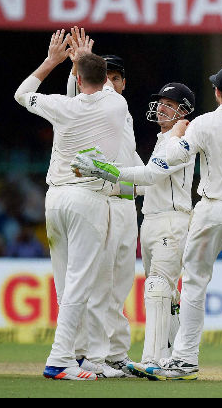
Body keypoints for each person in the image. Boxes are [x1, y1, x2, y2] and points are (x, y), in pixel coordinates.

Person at [125, 65, 222, 382]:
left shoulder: (204, 123)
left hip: (212, 210)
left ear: (217, 93)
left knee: (195, 285)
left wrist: (179, 137)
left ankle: (184, 360)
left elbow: (170, 160)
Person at [13, 29, 128, 381]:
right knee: (79, 284)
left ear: (76, 79)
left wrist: (53, 61)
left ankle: (77, 356)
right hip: (87, 200)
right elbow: (99, 83)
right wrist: (82, 60)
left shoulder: (62, 106)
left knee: (66, 285)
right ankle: (60, 359)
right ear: (105, 78)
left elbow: (21, 94)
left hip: (55, 200)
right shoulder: (116, 104)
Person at [71, 81, 196, 376]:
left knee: (156, 287)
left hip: (172, 220)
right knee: (167, 296)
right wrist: (105, 180)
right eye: (161, 101)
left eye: (170, 103)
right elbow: (142, 185)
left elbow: (150, 175)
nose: (162, 107)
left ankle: (153, 360)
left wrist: (103, 169)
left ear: (184, 110)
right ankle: (178, 361)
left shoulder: (182, 137)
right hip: (151, 220)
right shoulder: (163, 138)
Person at [64, 27, 143, 378]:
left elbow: (130, 159)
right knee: (98, 283)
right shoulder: (89, 106)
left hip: (126, 202)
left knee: (120, 284)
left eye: (115, 78)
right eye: (104, 77)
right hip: (99, 200)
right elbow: (73, 100)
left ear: (123, 82)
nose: (109, 84)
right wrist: (76, 67)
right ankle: (89, 356)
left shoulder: (121, 112)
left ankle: (114, 354)